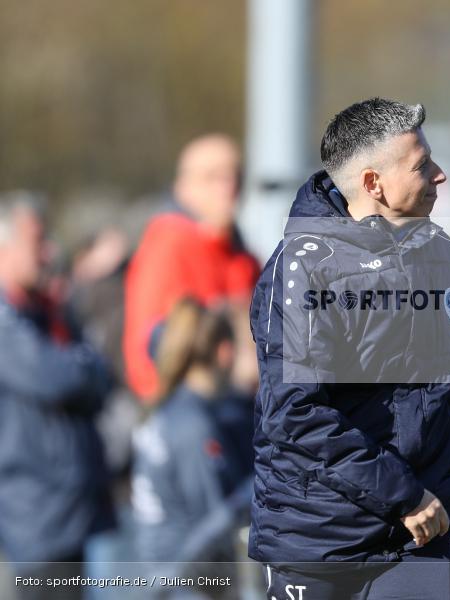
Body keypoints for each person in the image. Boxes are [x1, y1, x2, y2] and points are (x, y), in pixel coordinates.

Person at [249, 98, 450, 600]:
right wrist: (404, 494)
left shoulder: (440, 252)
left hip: (426, 533)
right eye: (422, 165)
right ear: (373, 184)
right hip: (320, 539)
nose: (439, 175)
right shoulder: (303, 268)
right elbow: (296, 413)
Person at [0, 193, 114, 599]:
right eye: (37, 241)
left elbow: (102, 375)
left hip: (71, 509)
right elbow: (55, 378)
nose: (50, 252)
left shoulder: (49, 312)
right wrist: (79, 367)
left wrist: (79, 367)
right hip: (35, 515)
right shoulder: (6, 320)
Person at [123, 133, 259, 402]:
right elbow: (151, 352)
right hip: (191, 409)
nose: (228, 187)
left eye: (235, 176)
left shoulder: (244, 257)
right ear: (182, 187)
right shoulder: (169, 244)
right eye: (212, 177)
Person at [131, 297, 249, 598]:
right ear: (225, 352)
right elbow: (211, 527)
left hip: (164, 571)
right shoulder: (193, 425)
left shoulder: (174, 409)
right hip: (182, 581)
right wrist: (255, 492)